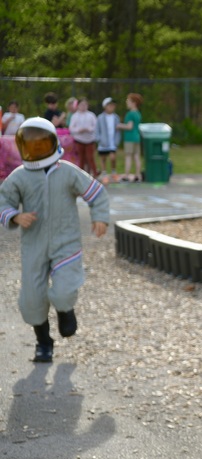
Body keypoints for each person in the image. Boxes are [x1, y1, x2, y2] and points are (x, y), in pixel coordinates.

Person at [0, 117, 108, 363]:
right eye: (30, 144)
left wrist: (100, 217)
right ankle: (44, 343)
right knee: (31, 299)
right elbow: (3, 201)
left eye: (41, 143)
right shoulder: (20, 176)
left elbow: (96, 192)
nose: (36, 149)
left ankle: (65, 309)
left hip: (65, 243)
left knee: (64, 289)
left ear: (52, 142)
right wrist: (15, 216)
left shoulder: (67, 172)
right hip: (34, 245)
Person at [69, 98, 98, 177]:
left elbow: (95, 126)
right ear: (78, 106)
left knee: (90, 157)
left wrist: (89, 129)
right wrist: (79, 130)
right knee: (81, 158)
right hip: (79, 140)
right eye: (82, 105)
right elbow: (71, 128)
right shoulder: (75, 116)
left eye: (85, 105)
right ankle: (81, 174)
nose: (83, 106)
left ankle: (94, 173)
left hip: (90, 140)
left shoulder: (91, 115)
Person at [118, 93, 143, 182]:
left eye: (128, 101)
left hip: (129, 138)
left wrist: (119, 125)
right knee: (136, 156)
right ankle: (138, 175)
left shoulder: (130, 114)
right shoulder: (138, 113)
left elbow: (129, 126)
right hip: (136, 137)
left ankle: (126, 176)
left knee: (128, 156)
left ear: (134, 103)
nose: (127, 102)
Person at [96, 97, 121, 179]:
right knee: (103, 157)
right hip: (103, 141)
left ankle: (113, 171)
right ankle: (104, 172)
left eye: (113, 105)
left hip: (112, 142)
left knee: (112, 157)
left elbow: (118, 130)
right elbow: (97, 129)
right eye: (109, 105)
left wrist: (117, 140)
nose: (111, 107)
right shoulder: (100, 117)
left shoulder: (116, 117)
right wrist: (99, 139)